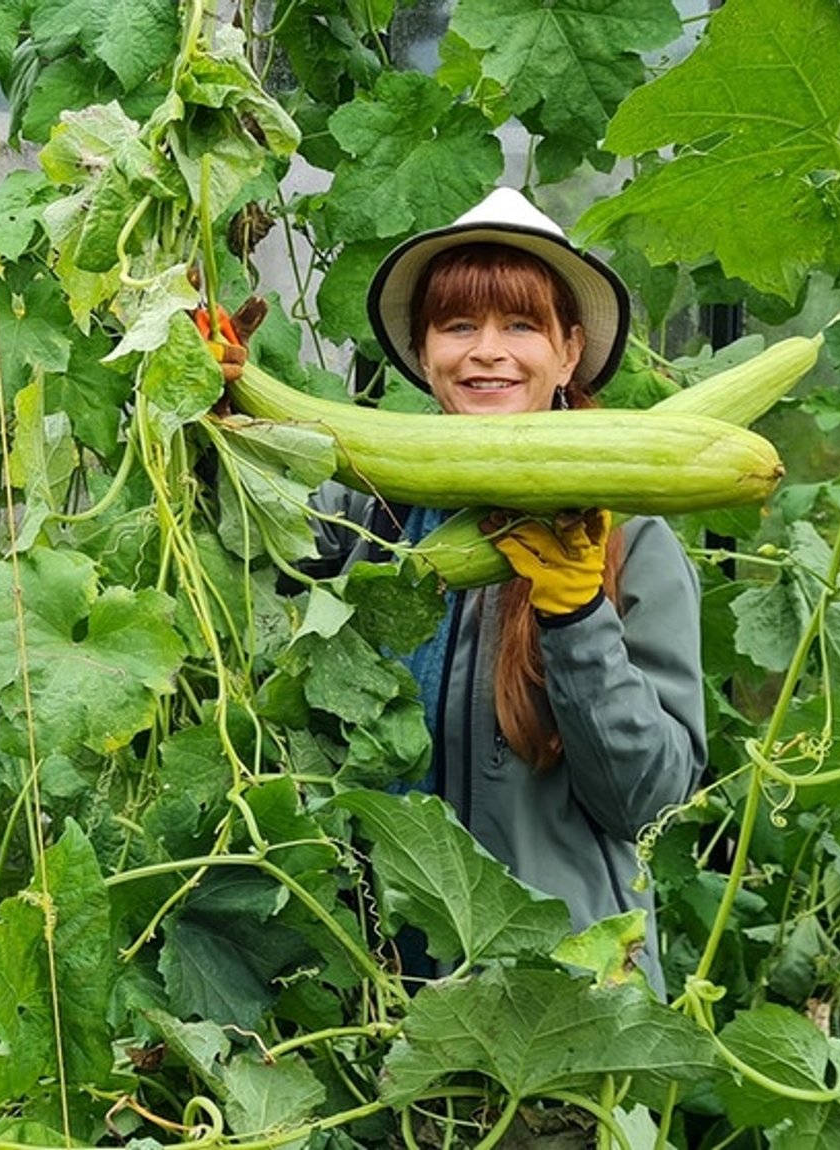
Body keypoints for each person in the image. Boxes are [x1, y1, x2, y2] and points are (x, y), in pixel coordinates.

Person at [205, 187, 706, 995]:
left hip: (556, 1000)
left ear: (569, 353)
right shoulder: (365, 513)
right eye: (459, 325)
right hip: (368, 987)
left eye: (520, 325)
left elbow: (648, 803)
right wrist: (214, 417)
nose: (487, 351)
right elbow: (227, 558)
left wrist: (577, 616)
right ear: (424, 350)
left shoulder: (630, 539)